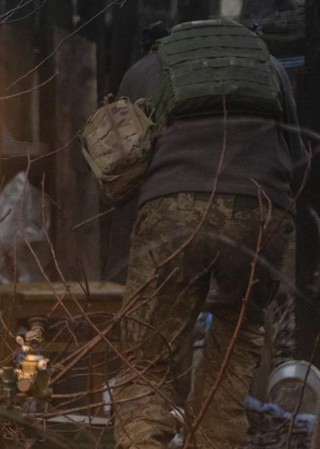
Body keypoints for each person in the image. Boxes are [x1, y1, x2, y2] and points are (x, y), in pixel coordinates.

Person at [111, 18, 306, 448]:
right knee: (237, 335)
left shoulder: (144, 69)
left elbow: (117, 164)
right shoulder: (269, 65)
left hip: (173, 209)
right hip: (261, 209)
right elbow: (296, 161)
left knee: (148, 356)